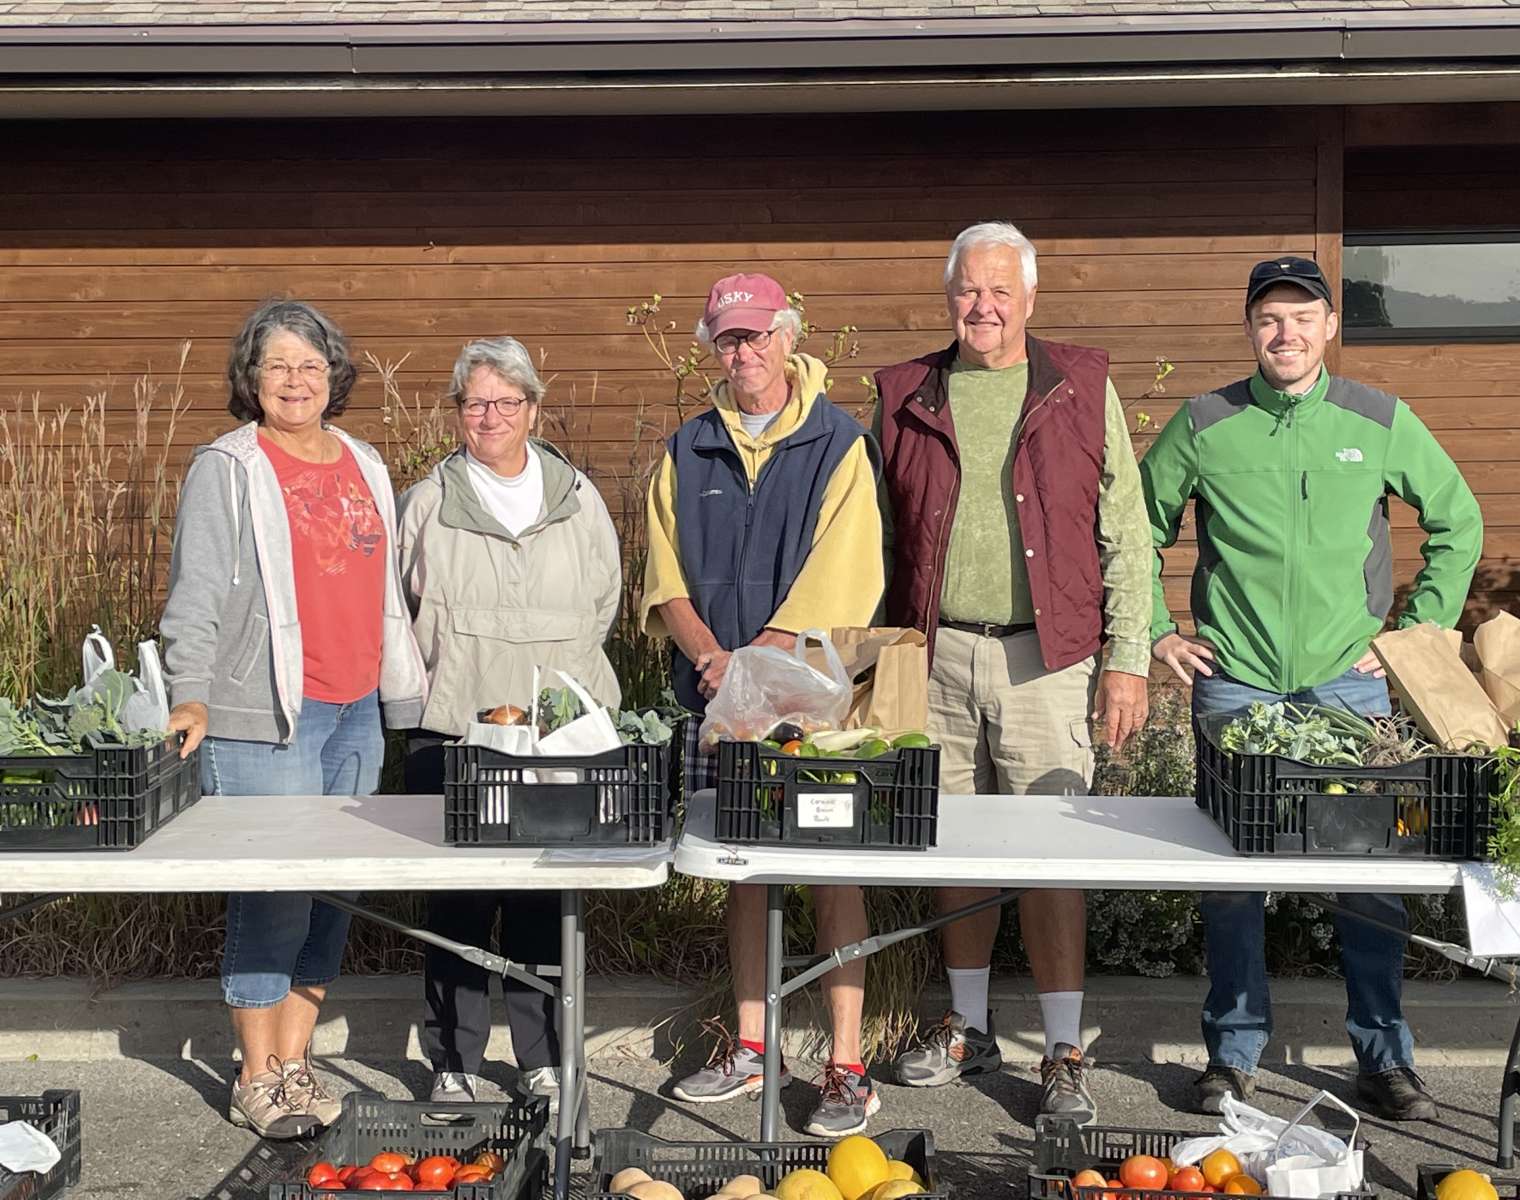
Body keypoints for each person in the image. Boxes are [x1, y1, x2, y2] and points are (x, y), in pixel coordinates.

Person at [1141, 256, 1483, 1121]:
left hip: (1349, 687)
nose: (1285, 333)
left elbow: (1458, 520)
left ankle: (1383, 1057)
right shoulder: (1205, 421)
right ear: (1249, 329)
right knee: (1232, 879)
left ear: (1330, 326)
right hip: (1237, 685)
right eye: (1268, 319)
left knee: (1371, 877)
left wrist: (1415, 634)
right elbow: (1133, 528)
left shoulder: (1377, 418)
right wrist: (1154, 630)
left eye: (1302, 317)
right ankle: (1232, 1056)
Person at [877, 221, 1152, 1123]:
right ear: (948, 296)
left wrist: (1127, 660)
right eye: (968, 290)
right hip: (937, 652)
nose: (983, 306)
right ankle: (966, 1026)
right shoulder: (905, 392)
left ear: (1031, 299)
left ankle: (1063, 1047)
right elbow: (875, 535)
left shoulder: (1081, 384)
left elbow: (1127, 533)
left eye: (1000, 291)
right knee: (953, 844)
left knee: (1048, 855)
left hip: (1048, 656)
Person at [160, 298, 428, 1138]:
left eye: (310, 365)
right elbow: (196, 590)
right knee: (272, 894)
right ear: (251, 378)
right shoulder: (228, 466)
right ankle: (256, 1073)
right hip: (263, 714)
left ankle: (298, 1063)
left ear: (333, 376)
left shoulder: (365, 461)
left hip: (355, 710)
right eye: (277, 365)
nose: (295, 380)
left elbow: (386, 590)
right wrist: (188, 690)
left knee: (332, 894)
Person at [643, 272, 885, 1135]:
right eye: (727, 340)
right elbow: (663, 572)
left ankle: (848, 1066)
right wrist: (711, 657)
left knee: (832, 868)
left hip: (813, 706)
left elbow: (847, 571)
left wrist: (759, 657)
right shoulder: (687, 447)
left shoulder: (838, 443)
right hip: (716, 696)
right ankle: (753, 1050)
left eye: (755, 336)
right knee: (741, 866)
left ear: (789, 338)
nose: (742, 353)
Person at [397, 336, 622, 1112]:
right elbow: (401, 610)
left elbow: (604, 603)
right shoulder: (429, 500)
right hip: (458, 730)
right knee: (458, 900)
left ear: (533, 407)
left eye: (505, 401)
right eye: (474, 403)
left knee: (540, 898)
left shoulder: (578, 497)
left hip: (557, 736)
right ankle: (452, 1061)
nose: (489, 416)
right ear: (457, 413)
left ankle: (542, 1060)